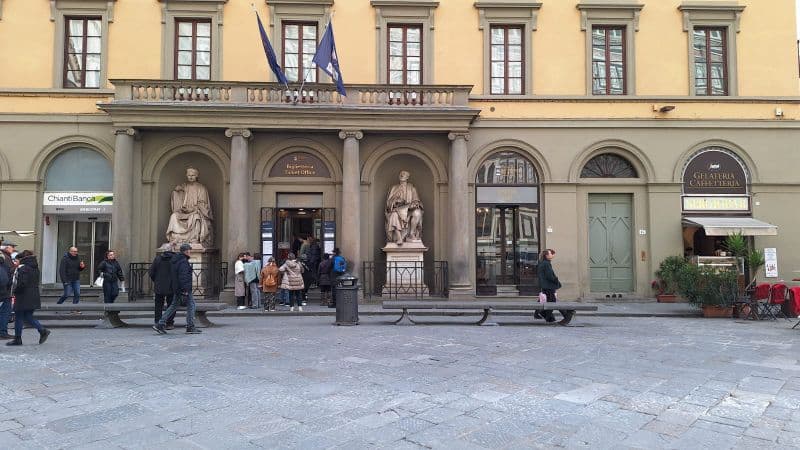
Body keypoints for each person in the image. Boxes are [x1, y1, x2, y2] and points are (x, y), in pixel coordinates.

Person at [153, 243, 201, 334]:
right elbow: (183, 276)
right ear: (186, 251)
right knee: (192, 306)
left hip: (178, 288)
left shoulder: (177, 260)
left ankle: (160, 323)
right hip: (184, 288)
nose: (190, 252)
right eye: (190, 250)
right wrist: (185, 290)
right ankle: (190, 326)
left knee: (173, 306)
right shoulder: (183, 261)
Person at [7, 250, 50, 346]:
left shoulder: (24, 268)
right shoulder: (35, 268)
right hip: (33, 295)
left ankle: (18, 339)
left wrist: (15, 291)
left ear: (22, 259)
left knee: (19, 316)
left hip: (23, 296)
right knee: (27, 316)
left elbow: (22, 283)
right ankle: (42, 331)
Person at [165, 167, 214, 248]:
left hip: (195, 211)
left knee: (195, 217)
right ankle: (176, 238)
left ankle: (193, 238)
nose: (191, 177)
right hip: (184, 211)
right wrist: (177, 192)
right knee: (174, 216)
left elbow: (203, 203)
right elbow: (178, 197)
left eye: (193, 175)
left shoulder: (201, 188)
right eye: (189, 175)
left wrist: (193, 209)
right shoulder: (184, 186)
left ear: (196, 176)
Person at [385, 170, 424, 245]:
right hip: (397, 209)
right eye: (401, 174)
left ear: (407, 177)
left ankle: (411, 234)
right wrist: (395, 201)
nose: (402, 175)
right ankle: (399, 238)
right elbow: (388, 202)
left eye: (404, 174)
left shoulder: (412, 188)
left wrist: (414, 203)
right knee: (394, 215)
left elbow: (416, 200)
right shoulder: (394, 188)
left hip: (409, 210)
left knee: (417, 213)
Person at [537, 249, 572, 325]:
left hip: (546, 286)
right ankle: (567, 315)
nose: (552, 255)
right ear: (546, 255)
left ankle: (548, 317)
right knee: (552, 302)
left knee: (550, 302)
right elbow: (549, 276)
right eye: (551, 254)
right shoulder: (546, 264)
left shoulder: (543, 263)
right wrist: (556, 280)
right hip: (548, 286)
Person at [149, 247, 176, 329]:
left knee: (158, 305)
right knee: (171, 305)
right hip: (172, 286)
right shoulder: (175, 259)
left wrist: (156, 280)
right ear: (172, 251)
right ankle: (169, 323)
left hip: (159, 285)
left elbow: (151, 272)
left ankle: (158, 322)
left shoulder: (157, 259)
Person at [0, 241, 16, 339]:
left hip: (4, 290)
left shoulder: (5, 257)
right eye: (12, 247)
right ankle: (2, 332)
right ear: (6, 247)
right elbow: (6, 276)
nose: (13, 249)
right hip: (5, 291)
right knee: (5, 311)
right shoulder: (5, 258)